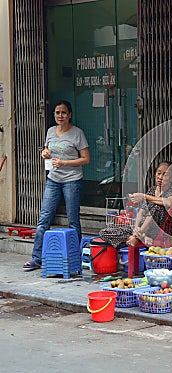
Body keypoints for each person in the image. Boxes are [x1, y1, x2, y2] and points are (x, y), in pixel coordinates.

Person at [23, 100, 90, 270]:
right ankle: (37, 258)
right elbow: (47, 150)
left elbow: (86, 159)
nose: (60, 116)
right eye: (57, 113)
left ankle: (76, 257)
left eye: (64, 113)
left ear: (70, 115)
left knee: (73, 220)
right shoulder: (50, 131)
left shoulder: (77, 133)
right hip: (53, 179)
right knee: (44, 218)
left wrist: (65, 163)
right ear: (54, 115)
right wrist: (44, 152)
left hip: (72, 180)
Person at [126, 162, 172, 247]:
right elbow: (141, 212)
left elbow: (169, 202)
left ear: (171, 178)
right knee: (106, 232)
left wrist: (144, 196)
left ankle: (138, 237)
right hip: (141, 229)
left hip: (158, 231)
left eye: (165, 175)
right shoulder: (152, 190)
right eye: (159, 173)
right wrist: (135, 229)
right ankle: (141, 236)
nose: (160, 177)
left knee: (157, 206)